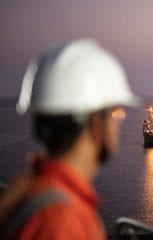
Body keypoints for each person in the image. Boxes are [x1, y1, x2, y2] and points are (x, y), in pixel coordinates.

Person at [0, 39, 140, 239]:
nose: (120, 122)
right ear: (96, 125)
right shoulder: (61, 220)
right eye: (117, 113)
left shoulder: (23, 188)